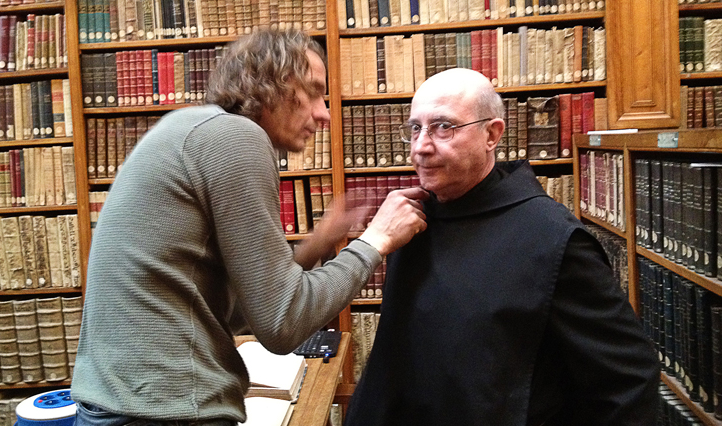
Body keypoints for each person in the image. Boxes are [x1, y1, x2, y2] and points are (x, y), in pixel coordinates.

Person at [71, 29, 428, 426]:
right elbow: (281, 324)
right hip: (166, 412)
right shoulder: (235, 137)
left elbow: (229, 311)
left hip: (121, 405)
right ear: (270, 83)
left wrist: (313, 248)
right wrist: (376, 240)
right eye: (313, 92)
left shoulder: (193, 127)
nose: (324, 113)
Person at [343, 68, 660, 426]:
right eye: (415, 128)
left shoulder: (553, 238)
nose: (421, 147)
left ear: (492, 134)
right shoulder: (407, 219)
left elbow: (629, 379)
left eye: (443, 127)